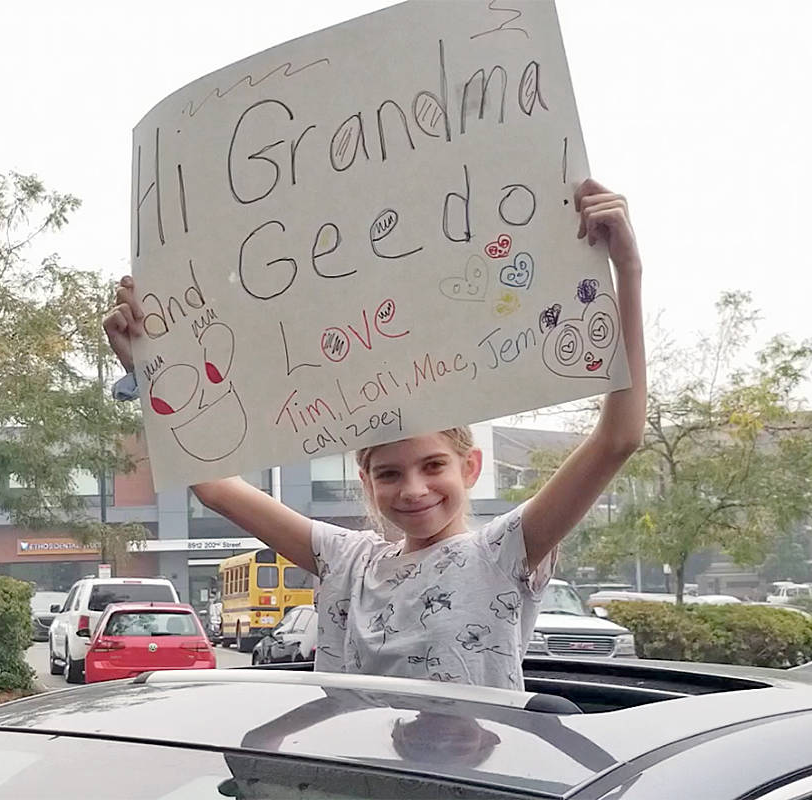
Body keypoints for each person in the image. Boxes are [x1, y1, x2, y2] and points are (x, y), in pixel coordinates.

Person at [103, 178, 647, 689]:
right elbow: (213, 484)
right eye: (389, 473)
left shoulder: (503, 553)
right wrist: (150, 364)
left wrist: (626, 267)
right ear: (365, 480)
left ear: (470, 467)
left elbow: (616, 438)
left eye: (433, 465)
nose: (413, 489)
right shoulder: (347, 561)